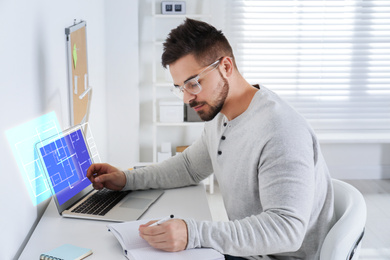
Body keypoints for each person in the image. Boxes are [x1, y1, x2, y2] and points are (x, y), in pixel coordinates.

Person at [87, 18, 335, 260]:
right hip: (248, 250)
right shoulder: (222, 115)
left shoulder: (281, 131)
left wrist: (193, 233)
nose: (187, 98)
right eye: (180, 88)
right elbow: (189, 167)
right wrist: (126, 179)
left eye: (193, 83)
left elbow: (286, 230)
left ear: (226, 67)